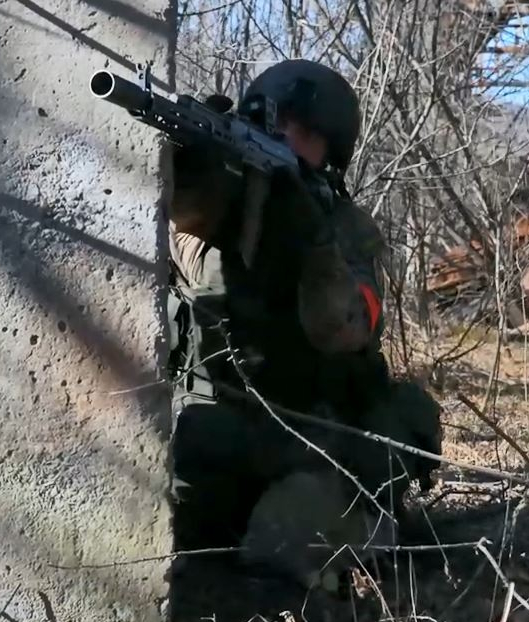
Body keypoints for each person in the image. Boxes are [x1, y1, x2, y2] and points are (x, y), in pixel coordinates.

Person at [165, 59, 442, 580]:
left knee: (286, 541)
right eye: (276, 123)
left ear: (331, 152)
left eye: (305, 131)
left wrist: (310, 246)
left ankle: (365, 528)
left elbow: (349, 329)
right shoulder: (216, 199)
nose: (287, 137)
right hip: (215, 432)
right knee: (189, 534)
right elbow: (190, 248)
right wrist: (189, 161)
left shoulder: (348, 229)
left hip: (309, 436)